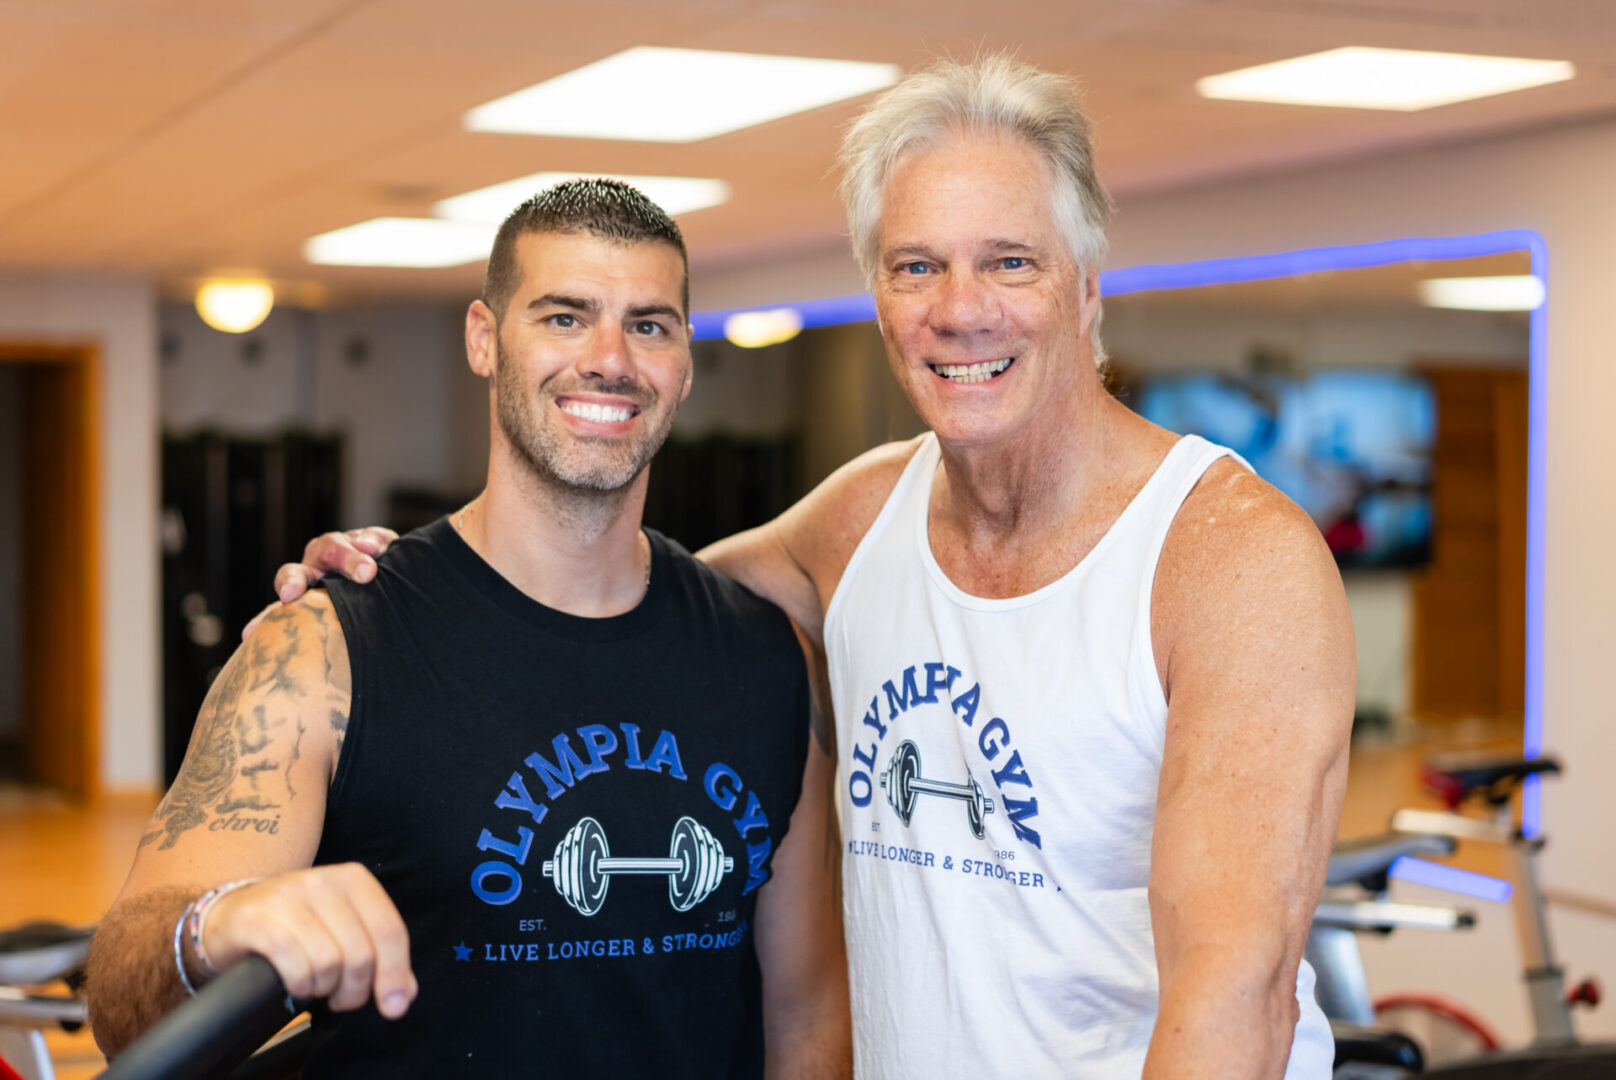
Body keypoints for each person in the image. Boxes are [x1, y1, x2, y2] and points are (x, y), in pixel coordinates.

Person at [269, 56, 1354, 1077]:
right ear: (878, 297)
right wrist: (393, 593)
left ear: (1083, 290)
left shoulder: (1230, 565)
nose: (957, 308)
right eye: (914, 266)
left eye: (1008, 262)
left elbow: (1236, 996)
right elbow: (601, 599)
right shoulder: (861, 521)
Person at [85, 180, 850, 1078]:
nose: (610, 359)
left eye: (649, 325)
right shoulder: (325, 652)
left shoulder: (764, 657)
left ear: (683, 361)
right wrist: (217, 925)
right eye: (564, 317)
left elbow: (804, 1017)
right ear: (485, 340)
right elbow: (121, 996)